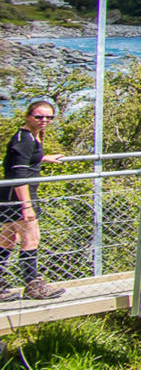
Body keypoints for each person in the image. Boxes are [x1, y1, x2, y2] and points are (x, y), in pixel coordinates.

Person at [1, 100, 67, 301]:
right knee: (31, 238)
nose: (44, 120)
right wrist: (27, 206)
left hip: (9, 196)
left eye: (49, 117)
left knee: (7, 240)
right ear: (28, 116)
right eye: (39, 117)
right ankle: (33, 285)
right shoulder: (25, 139)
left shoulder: (28, 136)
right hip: (20, 196)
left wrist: (43, 158)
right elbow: (19, 173)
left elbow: (21, 159)